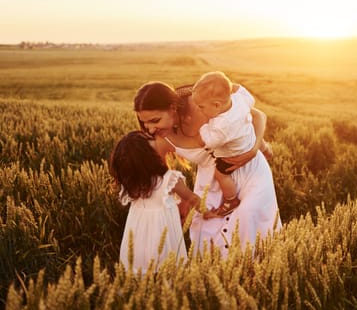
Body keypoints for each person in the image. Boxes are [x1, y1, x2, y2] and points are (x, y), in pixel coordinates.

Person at [133, 80, 281, 257]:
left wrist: (255, 148)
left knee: (250, 221)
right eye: (145, 123)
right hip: (210, 183)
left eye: (155, 120)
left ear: (173, 107)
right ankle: (220, 279)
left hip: (249, 169)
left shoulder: (201, 102)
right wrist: (185, 199)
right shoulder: (161, 139)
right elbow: (163, 174)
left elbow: (257, 116)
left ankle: (257, 278)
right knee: (208, 239)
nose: (149, 129)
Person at [109, 130, 201, 273]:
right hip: (163, 236)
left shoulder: (133, 185)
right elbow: (192, 198)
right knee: (167, 269)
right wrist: (209, 211)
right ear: (150, 156)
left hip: (137, 239)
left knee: (139, 271)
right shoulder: (169, 179)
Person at [191, 71, 255, 216]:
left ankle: (231, 200)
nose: (199, 110)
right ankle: (263, 147)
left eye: (201, 107)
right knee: (249, 130)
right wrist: (233, 87)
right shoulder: (239, 99)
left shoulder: (222, 126)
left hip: (235, 153)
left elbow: (211, 142)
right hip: (248, 138)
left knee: (220, 174)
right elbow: (247, 96)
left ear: (217, 105)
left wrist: (203, 128)